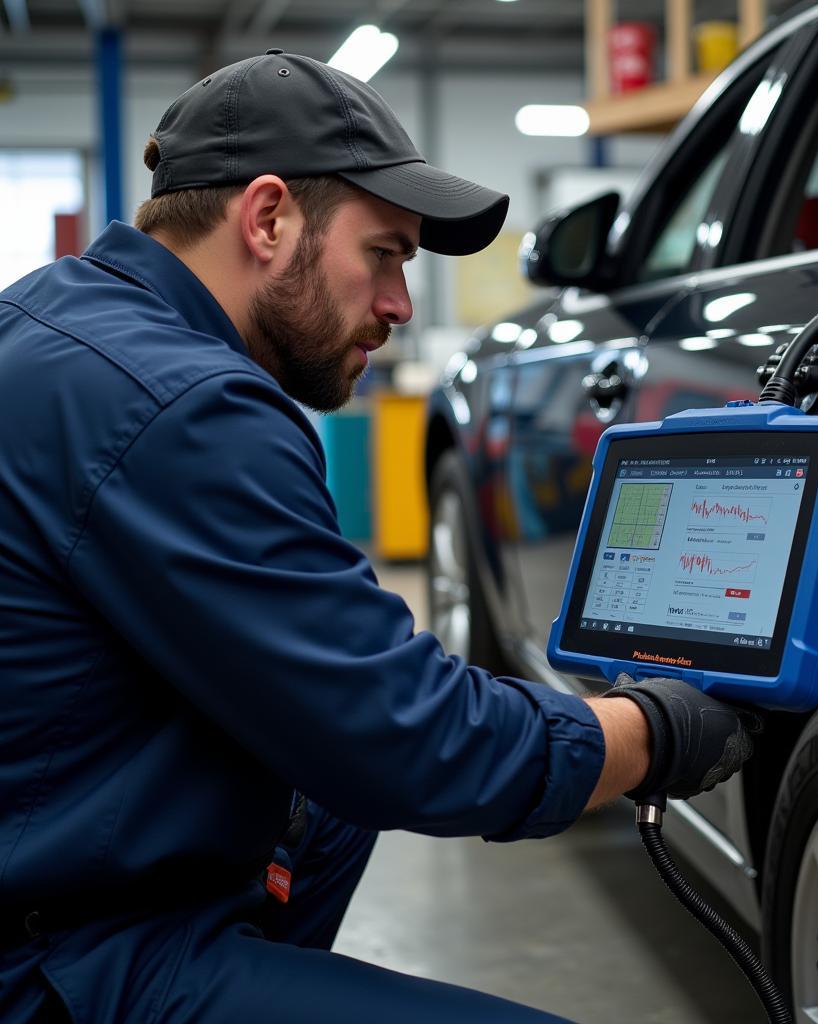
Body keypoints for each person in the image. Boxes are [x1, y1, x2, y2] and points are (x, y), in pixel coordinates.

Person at [0, 52, 757, 1023]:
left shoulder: (55, 318)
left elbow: (344, 704)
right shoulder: (184, 406)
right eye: (386, 254)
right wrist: (652, 731)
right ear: (267, 219)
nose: (401, 304)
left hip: (60, 874)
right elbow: (406, 735)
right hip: (59, 963)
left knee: (320, 795)